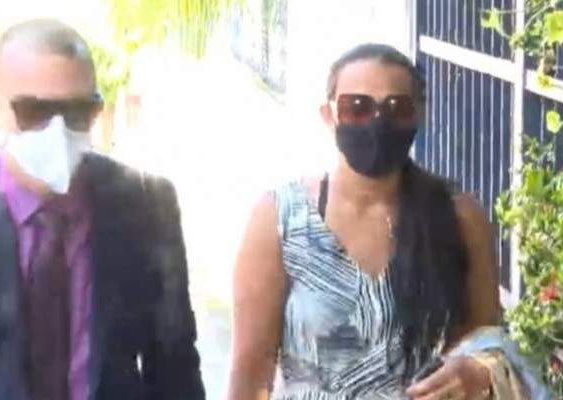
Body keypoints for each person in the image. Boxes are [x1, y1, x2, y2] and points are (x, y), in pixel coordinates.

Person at [229, 43, 544, 400]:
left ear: (419, 115)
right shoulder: (281, 218)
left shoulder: (459, 218)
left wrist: (475, 371)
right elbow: (250, 370)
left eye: (397, 108)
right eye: (356, 107)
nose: (377, 123)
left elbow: (485, 342)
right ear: (329, 115)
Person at [0, 19, 205, 400]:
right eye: (35, 111)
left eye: (78, 111)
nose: (58, 131)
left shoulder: (147, 206)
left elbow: (175, 364)